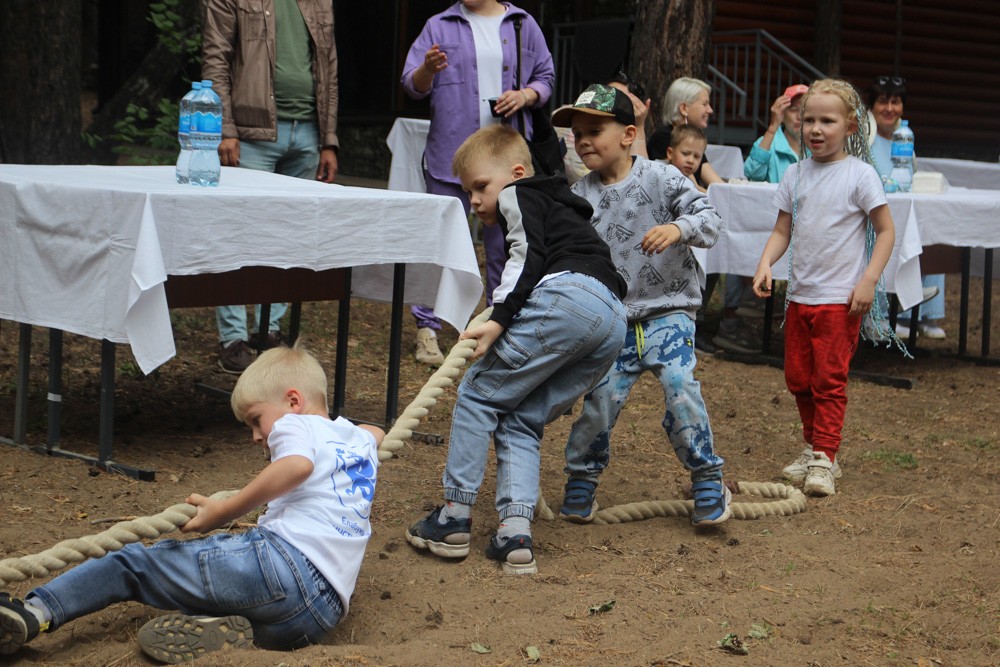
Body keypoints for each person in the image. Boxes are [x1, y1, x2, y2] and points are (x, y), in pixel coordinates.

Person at [1, 345, 383, 662]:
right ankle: (232, 633)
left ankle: (35, 612)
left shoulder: (293, 423)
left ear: (294, 401)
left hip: (283, 566)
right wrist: (359, 436)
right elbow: (377, 431)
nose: (255, 436)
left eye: (256, 420)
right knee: (245, 609)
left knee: (132, 564)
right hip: (320, 613)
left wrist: (224, 511)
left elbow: (297, 466)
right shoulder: (356, 439)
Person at [405, 124, 627, 575]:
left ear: (517, 173)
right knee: (521, 415)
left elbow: (526, 258)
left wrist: (499, 317)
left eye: (480, 186)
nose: (474, 200)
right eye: (468, 192)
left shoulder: (518, 195)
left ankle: (454, 516)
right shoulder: (559, 207)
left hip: (567, 298)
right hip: (611, 320)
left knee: (477, 394)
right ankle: (515, 532)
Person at [551, 84, 731, 527]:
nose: (584, 140)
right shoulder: (579, 197)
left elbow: (711, 220)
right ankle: (582, 477)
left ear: (628, 135)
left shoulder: (662, 177)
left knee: (679, 385)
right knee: (600, 400)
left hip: (669, 310)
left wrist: (678, 228)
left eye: (595, 131)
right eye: (577, 133)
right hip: (613, 320)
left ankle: (707, 477)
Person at [751, 79, 896, 497]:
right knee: (798, 378)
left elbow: (886, 231)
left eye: (827, 121)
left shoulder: (860, 175)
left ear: (850, 126)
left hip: (840, 300)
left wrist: (868, 280)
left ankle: (825, 457)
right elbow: (783, 230)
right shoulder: (795, 174)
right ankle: (815, 445)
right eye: (808, 119)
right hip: (800, 298)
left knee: (829, 380)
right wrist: (765, 262)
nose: (815, 128)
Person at [401, 0, 555, 366]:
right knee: (439, 245)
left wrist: (525, 95)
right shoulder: (438, 24)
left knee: (507, 246)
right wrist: (427, 69)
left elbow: (546, 78)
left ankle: (498, 324)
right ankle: (427, 329)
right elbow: (412, 85)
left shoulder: (522, 22)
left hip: (504, 158)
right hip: (450, 155)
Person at [202, 0, 341, 374]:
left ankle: (269, 330)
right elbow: (215, 58)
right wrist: (224, 128)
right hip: (249, 134)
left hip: (307, 132)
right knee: (235, 234)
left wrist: (328, 140)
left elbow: (329, 65)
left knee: (289, 235)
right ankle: (233, 338)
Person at [714, 84, 813, 354]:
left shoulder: (817, 146)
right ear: (782, 112)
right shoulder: (771, 140)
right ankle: (736, 316)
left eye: (804, 110)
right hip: (770, 221)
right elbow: (752, 172)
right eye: (793, 110)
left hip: (804, 223)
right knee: (740, 239)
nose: (798, 116)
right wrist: (771, 127)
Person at [646, 77, 726, 353]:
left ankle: (697, 319)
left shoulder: (692, 142)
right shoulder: (664, 139)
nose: (710, 110)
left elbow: (713, 185)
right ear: (683, 108)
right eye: (704, 103)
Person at [866, 75, 946, 339]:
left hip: (902, 216)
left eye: (896, 102)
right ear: (872, 106)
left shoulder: (905, 139)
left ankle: (922, 315)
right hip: (874, 220)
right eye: (883, 101)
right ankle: (886, 315)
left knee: (931, 234)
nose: (889, 108)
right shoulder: (863, 139)